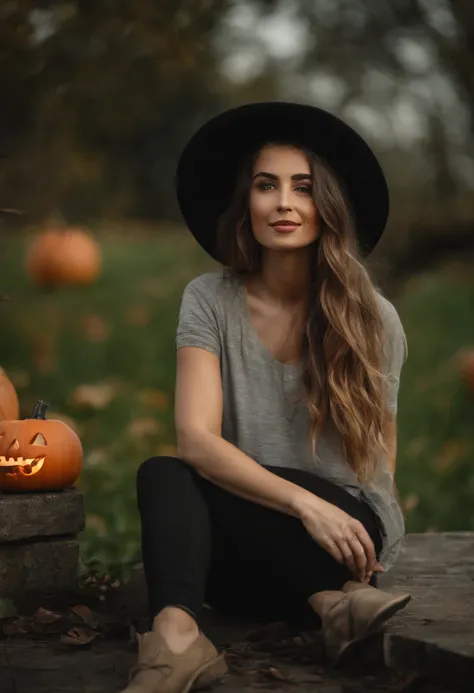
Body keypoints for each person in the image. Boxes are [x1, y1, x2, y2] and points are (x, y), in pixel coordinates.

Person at [120, 102, 411, 693]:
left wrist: (325, 511)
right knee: (165, 474)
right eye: (266, 185)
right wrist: (301, 504)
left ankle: (336, 595)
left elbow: (377, 471)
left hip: (346, 538)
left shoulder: (371, 317)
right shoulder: (209, 300)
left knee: (185, 491)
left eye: (303, 188)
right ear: (245, 202)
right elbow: (196, 441)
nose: (283, 203)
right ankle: (182, 640)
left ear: (325, 205)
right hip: (260, 533)